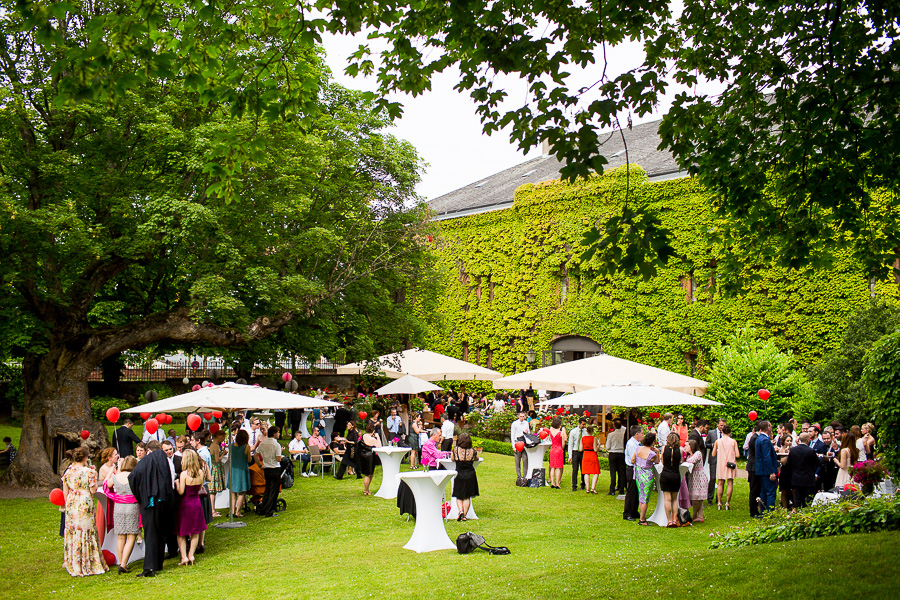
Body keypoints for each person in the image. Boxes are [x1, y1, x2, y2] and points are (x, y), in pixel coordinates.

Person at [129, 440, 175, 577]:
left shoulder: (144, 463)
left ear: (148, 450)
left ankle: (149, 567)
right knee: (161, 533)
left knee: (150, 535)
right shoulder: (167, 461)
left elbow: (133, 478)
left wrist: (141, 496)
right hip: (164, 501)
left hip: (149, 503)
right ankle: (158, 562)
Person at [61, 446, 108, 577]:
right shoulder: (89, 472)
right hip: (84, 501)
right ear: (86, 458)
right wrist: (94, 475)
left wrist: (68, 504)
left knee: (74, 530)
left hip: (72, 501)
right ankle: (88, 561)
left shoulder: (68, 471)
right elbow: (93, 490)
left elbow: (65, 491)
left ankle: (73, 561)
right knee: (87, 530)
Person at [105, 455, 140, 573]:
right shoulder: (134, 476)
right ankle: (124, 564)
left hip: (119, 507)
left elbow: (107, 485)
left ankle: (121, 562)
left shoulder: (116, 477)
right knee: (131, 536)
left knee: (121, 536)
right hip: (132, 507)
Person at [175, 448, 207, 564]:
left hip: (185, 504)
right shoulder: (201, 472)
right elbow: (199, 488)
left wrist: (177, 483)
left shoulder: (184, 474)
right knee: (195, 531)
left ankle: (184, 557)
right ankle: (191, 555)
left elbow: (181, 491)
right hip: (196, 503)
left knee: (181, 532)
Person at [783, 433, 820, 508]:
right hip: (808, 479)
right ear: (808, 440)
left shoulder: (793, 450)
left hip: (796, 478)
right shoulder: (810, 451)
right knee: (808, 500)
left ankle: (797, 513)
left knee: (797, 499)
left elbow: (789, 464)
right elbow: (817, 463)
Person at [451, 433, 480, 522]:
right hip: (470, 474)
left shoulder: (455, 450)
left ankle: (460, 511)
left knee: (459, 495)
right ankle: (465, 515)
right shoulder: (473, 451)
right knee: (467, 496)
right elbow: (477, 458)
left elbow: (452, 459)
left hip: (459, 474)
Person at [255, 426, 283, 517]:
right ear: (274, 434)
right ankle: (269, 511)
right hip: (274, 468)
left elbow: (256, 455)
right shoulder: (276, 445)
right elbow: (278, 459)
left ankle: (263, 508)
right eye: (278, 432)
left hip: (266, 468)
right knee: (273, 491)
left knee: (267, 490)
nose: (279, 434)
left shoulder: (262, 444)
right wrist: (281, 453)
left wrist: (260, 465)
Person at [632, 432, 659, 525]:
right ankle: (642, 519)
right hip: (647, 476)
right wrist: (657, 452)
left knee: (641, 496)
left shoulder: (638, 448)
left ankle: (642, 517)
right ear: (652, 442)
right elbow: (657, 461)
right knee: (645, 498)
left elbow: (633, 460)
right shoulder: (651, 453)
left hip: (639, 475)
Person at [712, 424, 738, 510]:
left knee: (720, 483)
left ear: (722, 432)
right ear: (730, 432)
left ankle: (719, 502)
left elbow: (713, 454)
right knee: (730, 483)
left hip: (721, 463)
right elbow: (737, 455)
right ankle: (727, 502)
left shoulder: (717, 441)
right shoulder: (733, 441)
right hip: (730, 463)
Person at [755, 421, 779, 514]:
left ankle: (763, 513)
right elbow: (767, 457)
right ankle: (769, 513)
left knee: (763, 492)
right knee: (770, 492)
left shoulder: (759, 438)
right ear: (768, 428)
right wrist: (771, 472)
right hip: (766, 470)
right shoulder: (765, 440)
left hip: (761, 470)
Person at [660, 432, 683, 527]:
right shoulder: (680, 450)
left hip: (665, 474)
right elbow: (681, 461)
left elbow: (662, 461)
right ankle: (674, 520)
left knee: (667, 499)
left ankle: (669, 520)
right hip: (675, 475)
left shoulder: (664, 448)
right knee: (674, 499)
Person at [684, 438, 708, 522]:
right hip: (692, 477)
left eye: (686, 445)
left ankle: (694, 515)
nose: (685, 447)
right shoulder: (688, 455)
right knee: (697, 497)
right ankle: (700, 516)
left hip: (698, 477)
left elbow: (690, 461)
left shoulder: (697, 453)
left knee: (696, 498)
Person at [229, 430, 252, 518]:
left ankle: (232, 511)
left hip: (233, 470)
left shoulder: (232, 446)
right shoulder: (246, 447)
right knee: (242, 492)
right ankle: (237, 512)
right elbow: (249, 459)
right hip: (242, 470)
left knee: (233, 492)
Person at [622, 425, 643, 521]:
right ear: (637, 434)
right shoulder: (631, 444)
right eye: (642, 433)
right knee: (631, 491)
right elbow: (633, 459)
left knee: (636, 491)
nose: (643, 435)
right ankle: (627, 512)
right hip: (632, 469)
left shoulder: (638, 444)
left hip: (637, 469)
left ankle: (634, 510)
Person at [208, 429, 227, 516]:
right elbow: (217, 459)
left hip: (214, 468)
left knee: (213, 491)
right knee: (213, 491)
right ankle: (212, 510)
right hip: (215, 468)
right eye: (222, 436)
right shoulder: (215, 446)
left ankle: (213, 509)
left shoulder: (214, 445)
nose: (223, 438)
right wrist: (223, 453)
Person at [359, 423, 382, 495]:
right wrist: (377, 437)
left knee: (369, 473)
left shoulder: (364, 436)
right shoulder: (372, 439)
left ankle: (367, 489)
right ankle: (366, 490)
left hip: (363, 455)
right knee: (368, 474)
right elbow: (379, 446)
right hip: (369, 456)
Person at [604, 419, 626, 495]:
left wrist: (608, 448)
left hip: (613, 453)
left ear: (614, 426)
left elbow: (607, 446)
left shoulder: (611, 434)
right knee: (621, 472)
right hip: (621, 453)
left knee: (613, 472)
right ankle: (621, 488)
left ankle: (612, 490)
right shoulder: (624, 434)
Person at [706, 418, 725, 505]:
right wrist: (713, 445)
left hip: (723, 459)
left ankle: (719, 498)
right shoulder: (711, 433)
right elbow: (706, 444)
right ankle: (710, 498)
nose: (722, 427)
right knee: (713, 478)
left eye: (724, 425)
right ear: (717, 424)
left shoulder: (727, 433)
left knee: (721, 479)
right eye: (721, 425)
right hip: (713, 458)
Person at [745, 423, 761, 516]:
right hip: (754, 467)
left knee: (756, 489)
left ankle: (755, 509)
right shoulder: (755, 438)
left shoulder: (755, 437)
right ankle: (753, 511)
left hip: (754, 466)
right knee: (754, 490)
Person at [547, 417, 567, 489]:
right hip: (559, 449)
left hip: (552, 449)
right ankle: (557, 483)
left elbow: (550, 439)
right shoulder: (560, 432)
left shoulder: (551, 432)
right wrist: (562, 448)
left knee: (552, 467)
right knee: (558, 467)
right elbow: (563, 443)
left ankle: (552, 482)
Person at [568, 418, 587, 491]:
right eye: (583, 424)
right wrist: (570, 455)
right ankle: (574, 485)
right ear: (579, 424)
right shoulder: (573, 432)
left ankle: (583, 484)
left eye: (585, 424)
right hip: (575, 451)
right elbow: (570, 444)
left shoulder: (586, 432)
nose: (584, 426)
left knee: (583, 469)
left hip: (583, 451)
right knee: (575, 469)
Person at [510, 412, 530, 480]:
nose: (522, 418)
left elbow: (528, 434)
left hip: (524, 442)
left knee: (525, 460)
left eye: (523, 416)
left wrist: (527, 433)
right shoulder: (515, 423)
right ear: (518, 416)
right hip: (517, 442)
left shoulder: (526, 423)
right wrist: (513, 446)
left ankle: (525, 476)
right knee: (517, 461)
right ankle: (519, 476)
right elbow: (512, 435)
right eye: (521, 416)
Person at [580, 425, 600, 493]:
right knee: (596, 472)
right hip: (592, 455)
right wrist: (598, 445)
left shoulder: (583, 438)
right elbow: (595, 449)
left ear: (586, 431)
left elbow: (580, 449)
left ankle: (587, 488)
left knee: (586, 472)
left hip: (585, 455)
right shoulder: (593, 438)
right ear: (593, 431)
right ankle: (593, 488)